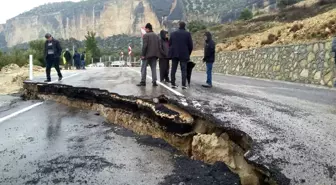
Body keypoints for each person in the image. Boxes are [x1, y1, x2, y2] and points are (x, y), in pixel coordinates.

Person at [169, 21, 193, 89]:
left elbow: (170, 44)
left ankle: (173, 83)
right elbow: (190, 46)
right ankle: (183, 85)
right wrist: (188, 53)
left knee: (173, 69)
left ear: (179, 25)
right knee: (184, 70)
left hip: (175, 54)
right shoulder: (187, 34)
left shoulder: (173, 34)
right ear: (184, 26)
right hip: (184, 54)